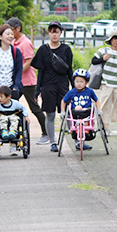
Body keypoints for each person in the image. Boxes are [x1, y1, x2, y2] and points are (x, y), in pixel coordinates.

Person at [31, 21, 73, 152]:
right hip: (48, 85)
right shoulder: (43, 50)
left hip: (62, 84)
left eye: (57, 31)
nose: (54, 34)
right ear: (48, 33)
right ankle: (53, 142)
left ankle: (77, 140)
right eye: (52, 31)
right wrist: (37, 90)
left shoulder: (66, 49)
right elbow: (40, 71)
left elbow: (69, 69)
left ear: (61, 33)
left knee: (67, 113)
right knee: (50, 114)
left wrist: (76, 87)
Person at [7, 17, 49, 145]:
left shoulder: (25, 43)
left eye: (11, 30)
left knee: (35, 108)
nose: (9, 33)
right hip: (16, 82)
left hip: (28, 83)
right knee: (10, 106)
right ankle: (12, 132)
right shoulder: (12, 43)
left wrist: (17, 75)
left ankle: (46, 133)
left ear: (18, 28)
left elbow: (29, 62)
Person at [91, 29, 117, 136]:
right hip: (106, 82)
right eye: (114, 39)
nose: (116, 41)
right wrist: (103, 59)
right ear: (110, 40)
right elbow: (93, 61)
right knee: (105, 106)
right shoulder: (103, 51)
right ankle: (106, 127)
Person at [60, 69, 100, 151]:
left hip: (87, 112)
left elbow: (96, 100)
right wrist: (63, 111)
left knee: (85, 108)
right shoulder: (71, 92)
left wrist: (99, 110)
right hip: (75, 113)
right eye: (77, 81)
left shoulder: (90, 91)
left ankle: (84, 134)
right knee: (77, 108)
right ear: (74, 82)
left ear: (86, 83)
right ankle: (78, 139)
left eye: (81, 82)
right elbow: (63, 101)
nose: (79, 84)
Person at [0, 86, 30, 156]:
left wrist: (26, 116)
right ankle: (4, 131)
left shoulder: (15, 103)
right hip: (2, 117)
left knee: (14, 119)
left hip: (13, 116)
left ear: (9, 97)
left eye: (1, 97)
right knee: (3, 119)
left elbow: (23, 108)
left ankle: (13, 132)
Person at [0, 24, 23, 102]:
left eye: (12, 34)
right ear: (0, 37)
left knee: (11, 112)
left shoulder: (16, 52)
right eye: (7, 34)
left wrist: (16, 86)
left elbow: (19, 70)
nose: (10, 36)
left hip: (11, 89)